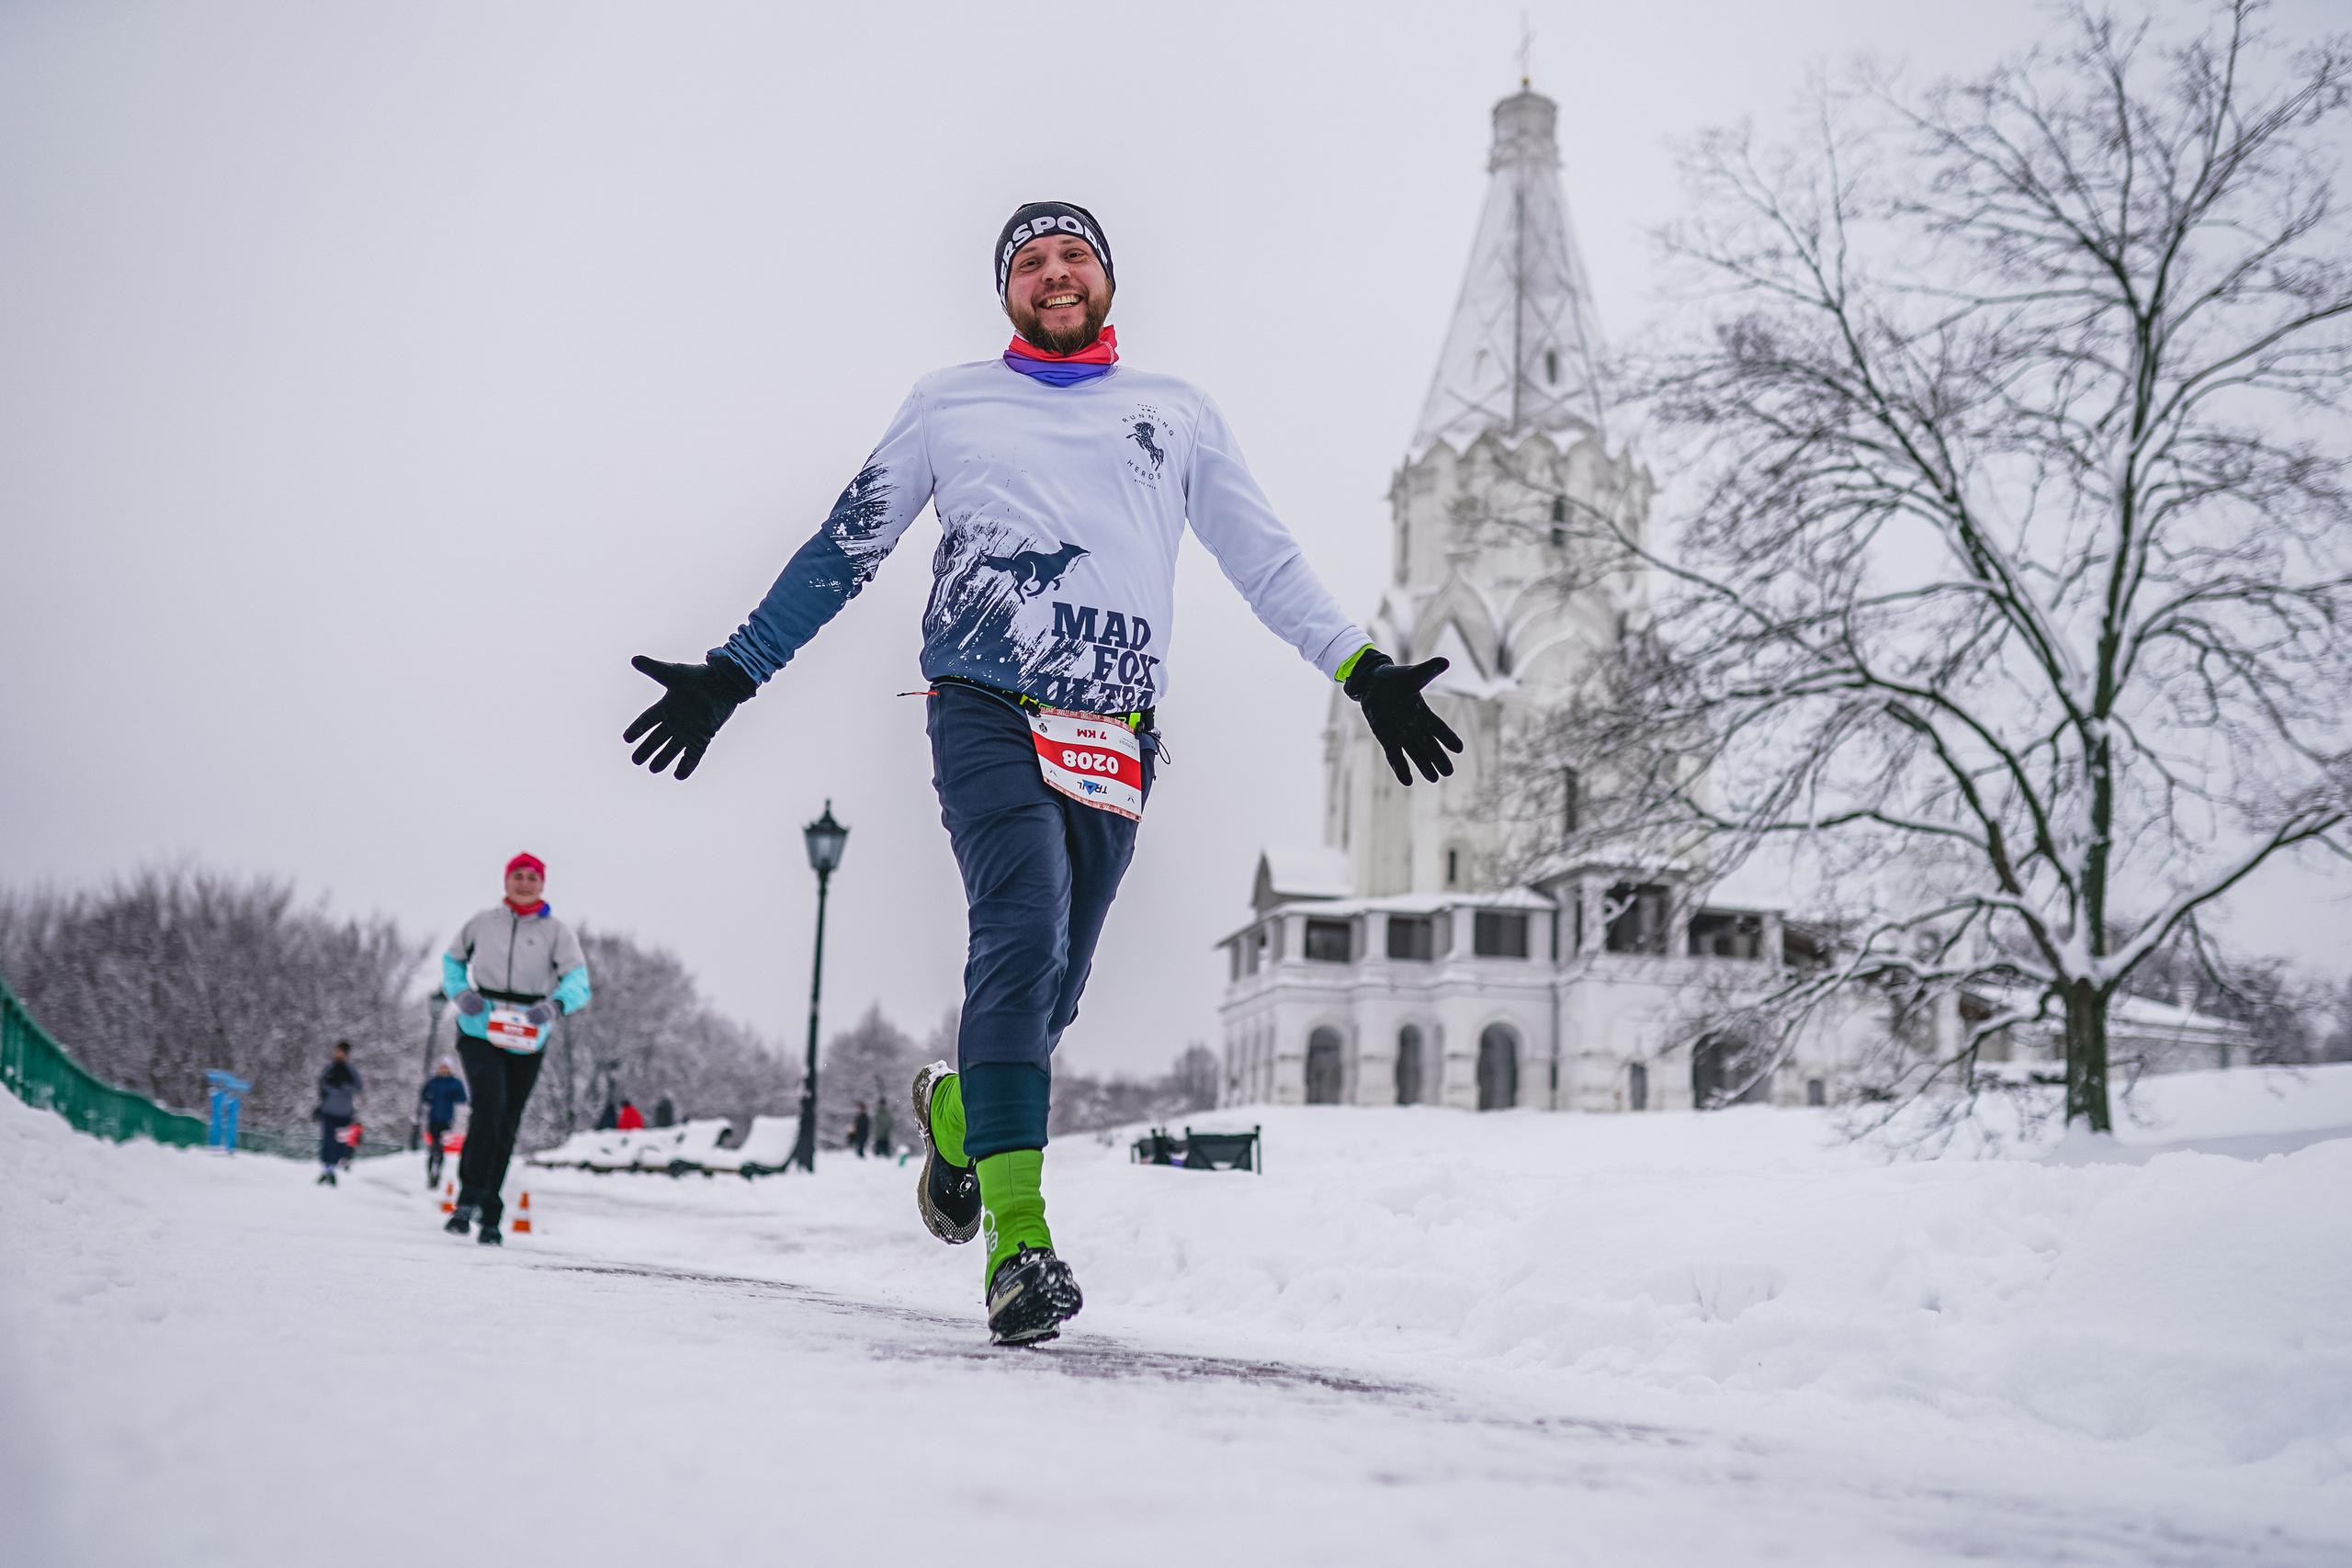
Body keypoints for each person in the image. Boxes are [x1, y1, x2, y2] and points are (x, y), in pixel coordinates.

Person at [622, 201, 1457, 1344]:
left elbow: (1262, 558)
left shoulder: (1177, 413)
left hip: (1116, 730)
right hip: (983, 703)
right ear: (1004, 293)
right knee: (1018, 925)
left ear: (1106, 280)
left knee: (1051, 987)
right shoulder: (948, 404)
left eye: (1073, 258)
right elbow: (848, 543)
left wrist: (1361, 671)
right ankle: (1020, 1248)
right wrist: (733, 672)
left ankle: (962, 1113)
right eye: (1029, 264)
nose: (1053, 276)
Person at [441, 852, 592, 1245]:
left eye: (532, 878)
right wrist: (460, 992)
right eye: (517, 876)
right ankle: (467, 1199)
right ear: (506, 881)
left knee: (507, 1119)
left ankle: (491, 1210)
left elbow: (578, 980)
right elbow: (451, 961)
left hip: (527, 1032)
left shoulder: (556, 931)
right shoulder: (481, 923)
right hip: (479, 1027)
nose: (524, 883)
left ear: (542, 885)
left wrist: (556, 1004)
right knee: (488, 1104)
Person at [315, 1042, 362, 1187]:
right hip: (328, 1112)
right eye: (337, 1051)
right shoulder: (329, 1069)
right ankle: (327, 1169)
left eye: (341, 1052)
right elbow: (321, 1086)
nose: (338, 1054)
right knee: (328, 1141)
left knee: (340, 1142)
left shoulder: (350, 1071)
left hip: (343, 1113)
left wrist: (343, 1086)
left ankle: (335, 1166)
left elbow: (358, 1087)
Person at [417, 1057, 468, 1190]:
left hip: (447, 1119)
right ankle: (430, 1175)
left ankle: (437, 1173)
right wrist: (429, 1099)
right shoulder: (433, 1082)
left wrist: (452, 1096)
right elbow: (424, 1095)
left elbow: (463, 1098)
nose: (444, 1070)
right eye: (442, 1067)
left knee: (441, 1148)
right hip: (433, 1118)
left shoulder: (455, 1083)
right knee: (433, 1147)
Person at [870, 1095, 896, 1162]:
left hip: (879, 1135)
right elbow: (891, 1123)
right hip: (885, 1134)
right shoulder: (887, 1112)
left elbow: (874, 1123)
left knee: (878, 1154)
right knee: (886, 1152)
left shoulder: (877, 1112)